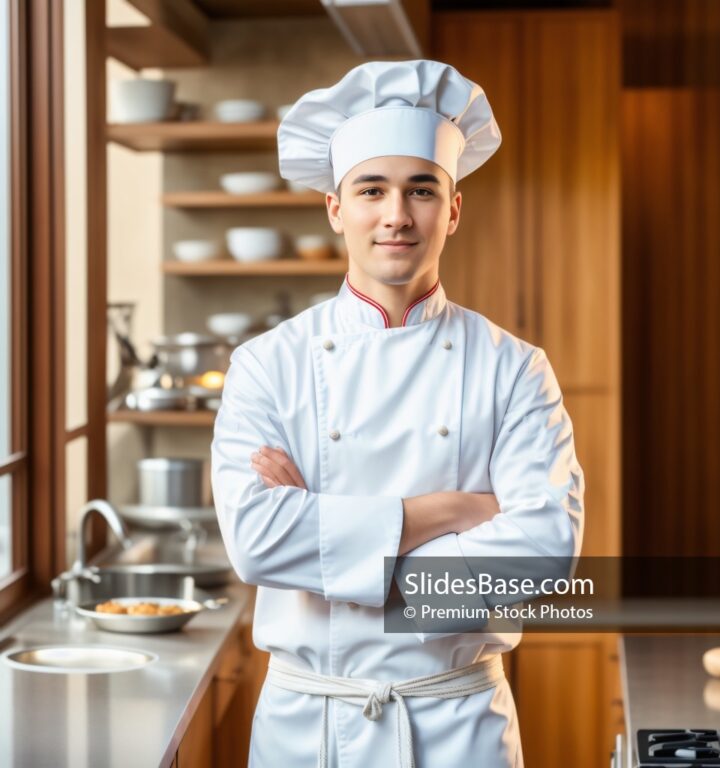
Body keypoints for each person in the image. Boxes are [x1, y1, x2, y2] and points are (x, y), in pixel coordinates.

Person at [211, 59, 584, 768]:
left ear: (453, 209)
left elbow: (544, 551)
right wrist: (452, 509)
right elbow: (257, 543)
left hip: (458, 723)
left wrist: (327, 536)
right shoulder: (267, 363)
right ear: (334, 207)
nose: (396, 215)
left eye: (421, 190)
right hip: (309, 727)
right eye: (371, 190)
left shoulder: (514, 367)